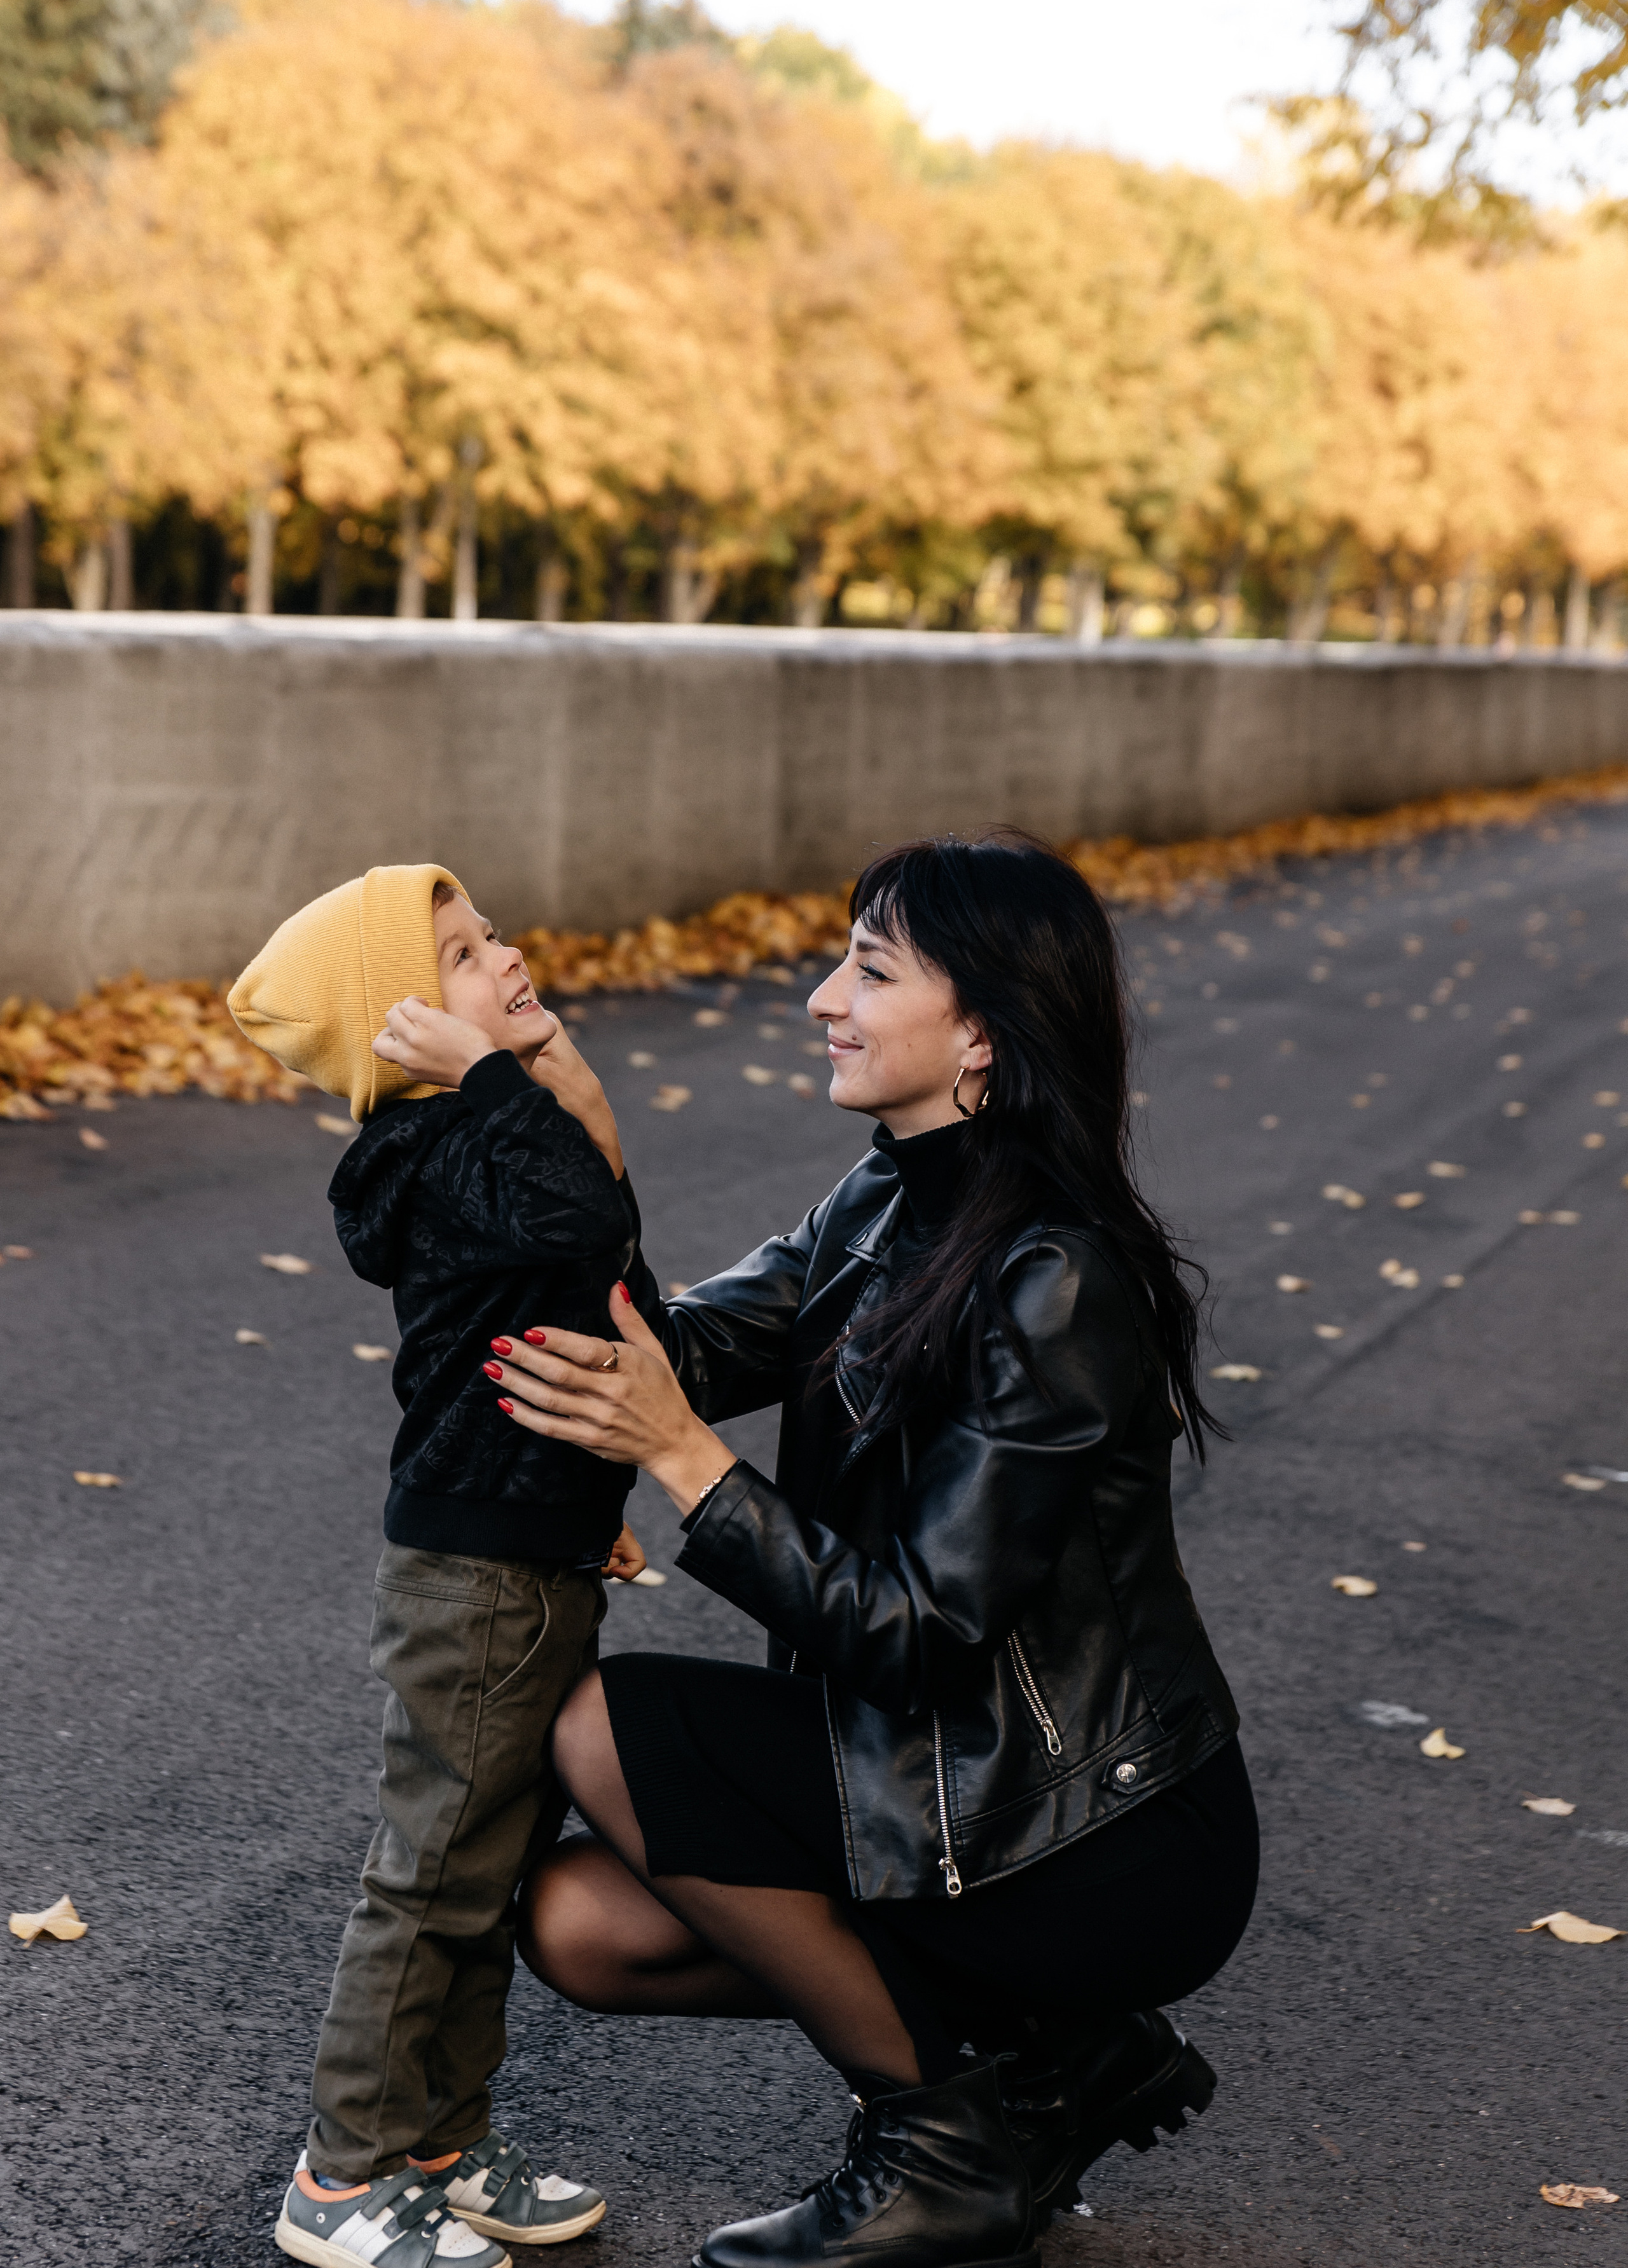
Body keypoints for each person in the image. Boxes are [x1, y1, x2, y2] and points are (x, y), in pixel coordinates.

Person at [483, 830, 1259, 2268]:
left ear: (980, 1030)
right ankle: (1051, 2062)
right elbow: (678, 1347)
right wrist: (576, 1119)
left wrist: (677, 1459)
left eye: (868, 968)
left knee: (605, 1729)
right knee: (582, 1926)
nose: (820, 998)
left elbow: (915, 1631)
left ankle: (938, 2139)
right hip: (946, 1782)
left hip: (1091, 1831)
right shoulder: (887, 1195)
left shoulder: (1054, 1274)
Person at [229, 863, 656, 2268]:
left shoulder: (494, 1132)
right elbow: (575, 1218)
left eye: (489, 935)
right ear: (399, 1025)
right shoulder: (425, 1154)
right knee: (428, 1880)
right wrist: (500, 1080)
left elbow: (604, 1296)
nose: (509, 957)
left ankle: (444, 2143)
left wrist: (588, 1490)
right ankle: (338, 2180)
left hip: (531, 1558)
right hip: (474, 1580)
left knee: (488, 1870)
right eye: (464, 955)